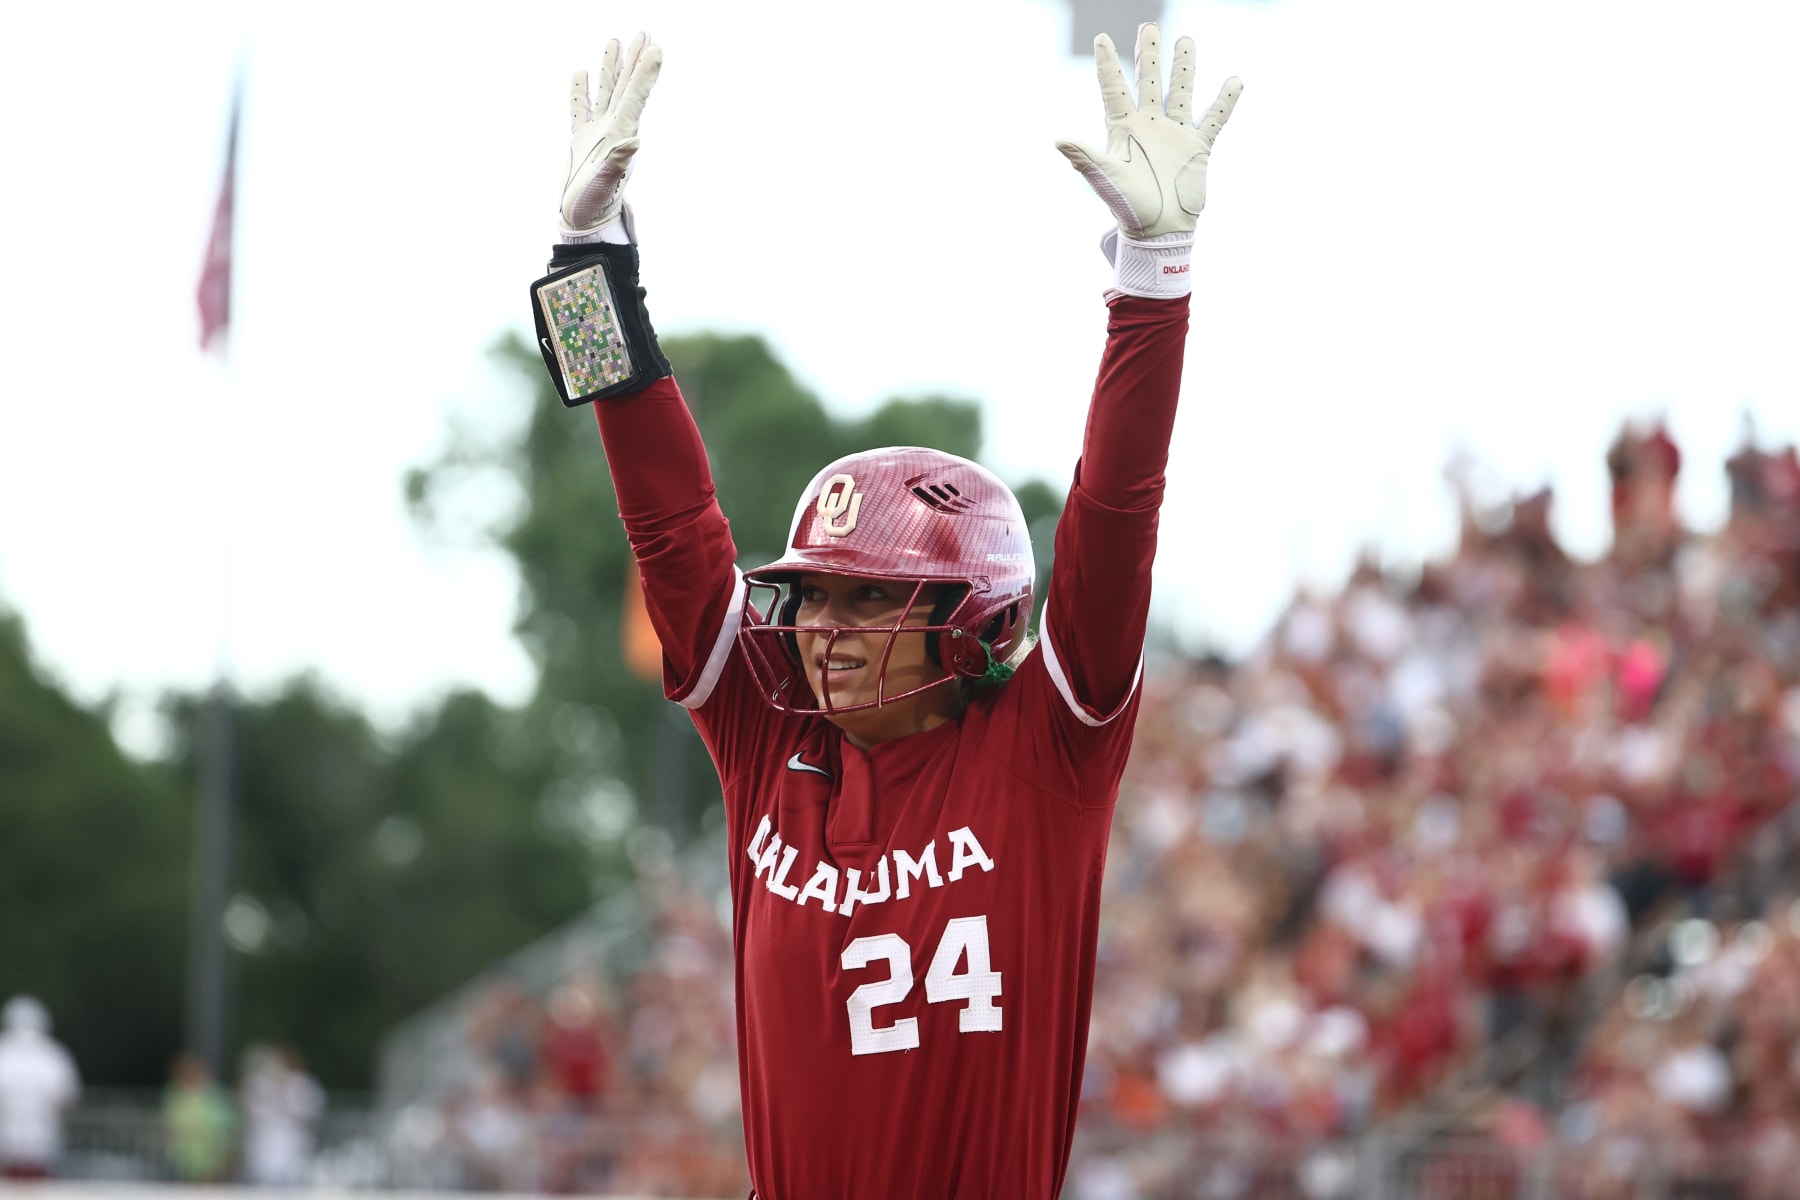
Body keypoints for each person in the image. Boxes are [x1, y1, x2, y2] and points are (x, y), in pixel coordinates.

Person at [529, 24, 1241, 1198]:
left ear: (974, 624)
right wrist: (586, 261)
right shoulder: (771, 741)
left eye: (873, 597)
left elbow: (1119, 514)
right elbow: (670, 524)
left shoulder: (1043, 755)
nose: (823, 626)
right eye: (814, 594)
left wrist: (1151, 281)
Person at [0, 996, 80, 1181]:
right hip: (44, 1140)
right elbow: (68, 1097)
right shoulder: (54, 1054)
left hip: (6, 1140)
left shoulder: (3, 1052)